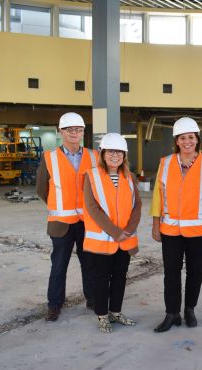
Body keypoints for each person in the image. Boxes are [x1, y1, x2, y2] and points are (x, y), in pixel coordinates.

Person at [150, 117, 202, 333]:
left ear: (197, 140)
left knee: (195, 272)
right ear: (177, 141)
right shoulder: (165, 163)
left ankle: (190, 309)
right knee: (171, 273)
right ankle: (172, 313)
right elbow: (157, 195)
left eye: (190, 137)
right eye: (182, 138)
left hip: (200, 231)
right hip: (171, 229)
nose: (187, 142)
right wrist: (155, 223)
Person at [36, 112, 97, 322]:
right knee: (59, 265)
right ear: (61, 132)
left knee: (89, 263)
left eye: (78, 130)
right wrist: (58, 205)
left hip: (87, 223)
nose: (74, 133)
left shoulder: (93, 156)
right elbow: (41, 189)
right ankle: (54, 305)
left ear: (83, 132)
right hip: (60, 223)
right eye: (70, 130)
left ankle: (93, 299)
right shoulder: (49, 157)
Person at [83, 133, 141, 333]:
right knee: (101, 279)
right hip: (103, 241)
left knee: (120, 277)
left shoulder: (130, 177)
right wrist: (116, 232)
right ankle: (102, 315)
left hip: (124, 240)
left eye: (119, 152)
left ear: (124, 155)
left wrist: (129, 229)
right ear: (103, 153)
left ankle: (116, 312)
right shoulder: (91, 175)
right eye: (111, 151)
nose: (115, 155)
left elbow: (137, 206)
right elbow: (92, 208)